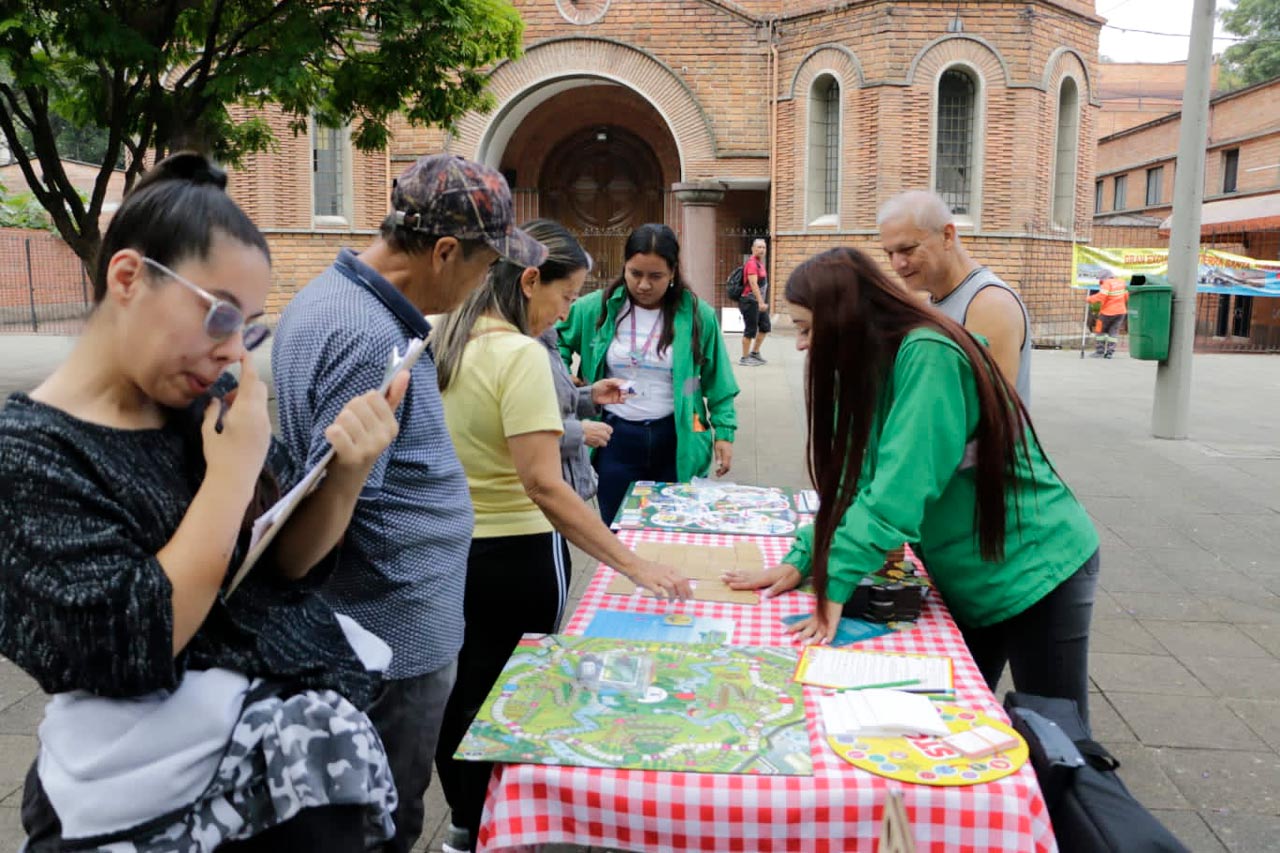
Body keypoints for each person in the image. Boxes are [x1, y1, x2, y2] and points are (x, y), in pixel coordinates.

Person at [0, 153, 406, 849]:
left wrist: (345, 475)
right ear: (127, 277)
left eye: (247, 330)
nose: (231, 354)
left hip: (291, 791)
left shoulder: (198, 410)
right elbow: (134, 645)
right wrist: (231, 473)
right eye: (219, 315)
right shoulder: (29, 451)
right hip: (140, 800)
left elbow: (285, 563)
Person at [272, 153, 546, 853]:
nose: (489, 282)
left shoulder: (332, 298)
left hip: (391, 623)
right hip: (391, 633)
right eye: (487, 265)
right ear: (445, 251)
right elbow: (331, 498)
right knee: (384, 817)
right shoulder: (370, 337)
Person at [727, 248, 1101, 724]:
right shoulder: (868, 367)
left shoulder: (927, 355)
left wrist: (834, 583)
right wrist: (804, 557)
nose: (801, 345)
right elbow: (853, 483)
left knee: (1059, 735)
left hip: (1039, 566)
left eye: (805, 328)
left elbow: (898, 492)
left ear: (846, 315)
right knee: (949, 721)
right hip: (971, 572)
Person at [431, 219, 692, 853]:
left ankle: (467, 821)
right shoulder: (519, 354)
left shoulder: (447, 337)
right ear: (528, 280)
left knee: (467, 691)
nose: (566, 310)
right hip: (520, 555)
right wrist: (632, 563)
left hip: (456, 552)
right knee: (516, 698)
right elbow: (545, 487)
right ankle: (507, 821)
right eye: (567, 295)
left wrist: (575, 397)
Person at [556, 223, 741, 526]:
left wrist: (725, 433)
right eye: (635, 273)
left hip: (677, 438)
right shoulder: (596, 309)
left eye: (655, 276)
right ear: (624, 268)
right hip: (614, 439)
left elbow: (718, 381)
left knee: (672, 529)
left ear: (672, 274)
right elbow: (554, 340)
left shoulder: (698, 316)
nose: (643, 285)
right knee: (617, 531)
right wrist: (565, 376)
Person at [877, 190, 1033, 402]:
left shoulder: (989, 306)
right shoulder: (933, 303)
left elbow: (991, 414)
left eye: (907, 249)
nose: (897, 264)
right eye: (889, 253)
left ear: (947, 236)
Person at [539, 319, 608, 500]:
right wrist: (579, 433)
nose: (564, 316)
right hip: (539, 498)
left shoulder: (541, 339)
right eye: (566, 298)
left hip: (565, 488)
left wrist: (589, 397)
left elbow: (549, 405)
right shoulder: (519, 349)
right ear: (529, 289)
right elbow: (523, 434)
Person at [739, 237, 771, 365]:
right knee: (750, 330)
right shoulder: (752, 263)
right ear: (753, 249)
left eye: (764, 247)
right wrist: (761, 302)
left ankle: (755, 353)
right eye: (759, 247)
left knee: (765, 326)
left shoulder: (759, 263)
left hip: (757, 301)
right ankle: (745, 358)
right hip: (750, 301)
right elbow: (753, 284)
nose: (762, 250)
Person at [1089, 276, 1129, 358]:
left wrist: (1090, 299)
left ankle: (1099, 352)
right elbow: (1126, 297)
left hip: (1107, 312)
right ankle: (1110, 353)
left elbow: (1101, 297)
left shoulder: (1107, 283)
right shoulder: (1121, 282)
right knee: (1113, 332)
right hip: (1121, 312)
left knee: (1100, 331)